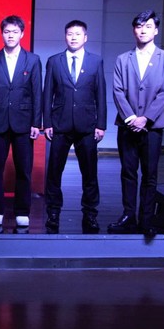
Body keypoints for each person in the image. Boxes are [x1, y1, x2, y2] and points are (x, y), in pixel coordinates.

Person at [108, 10, 164, 237]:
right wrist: (131, 118)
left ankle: (146, 219)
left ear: (156, 30)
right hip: (127, 126)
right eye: (139, 26)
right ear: (133, 30)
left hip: (152, 126)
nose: (143, 30)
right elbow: (117, 91)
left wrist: (146, 118)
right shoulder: (122, 59)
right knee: (128, 173)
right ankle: (128, 216)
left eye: (148, 26)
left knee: (150, 174)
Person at [43, 20, 106, 234]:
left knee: (90, 174)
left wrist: (101, 124)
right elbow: (47, 93)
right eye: (70, 33)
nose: (73, 37)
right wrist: (47, 123)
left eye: (78, 34)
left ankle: (90, 214)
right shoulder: (54, 61)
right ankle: (53, 213)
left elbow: (100, 94)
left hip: (87, 125)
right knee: (54, 173)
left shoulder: (96, 61)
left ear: (85, 37)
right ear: (65, 36)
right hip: (59, 125)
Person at [0, 15, 42, 233]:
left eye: (15, 32)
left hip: (23, 122)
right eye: (7, 32)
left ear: (22, 34)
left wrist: (36, 122)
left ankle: (22, 212)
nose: (10, 35)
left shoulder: (32, 60)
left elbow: (37, 92)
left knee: (24, 169)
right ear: (2, 34)